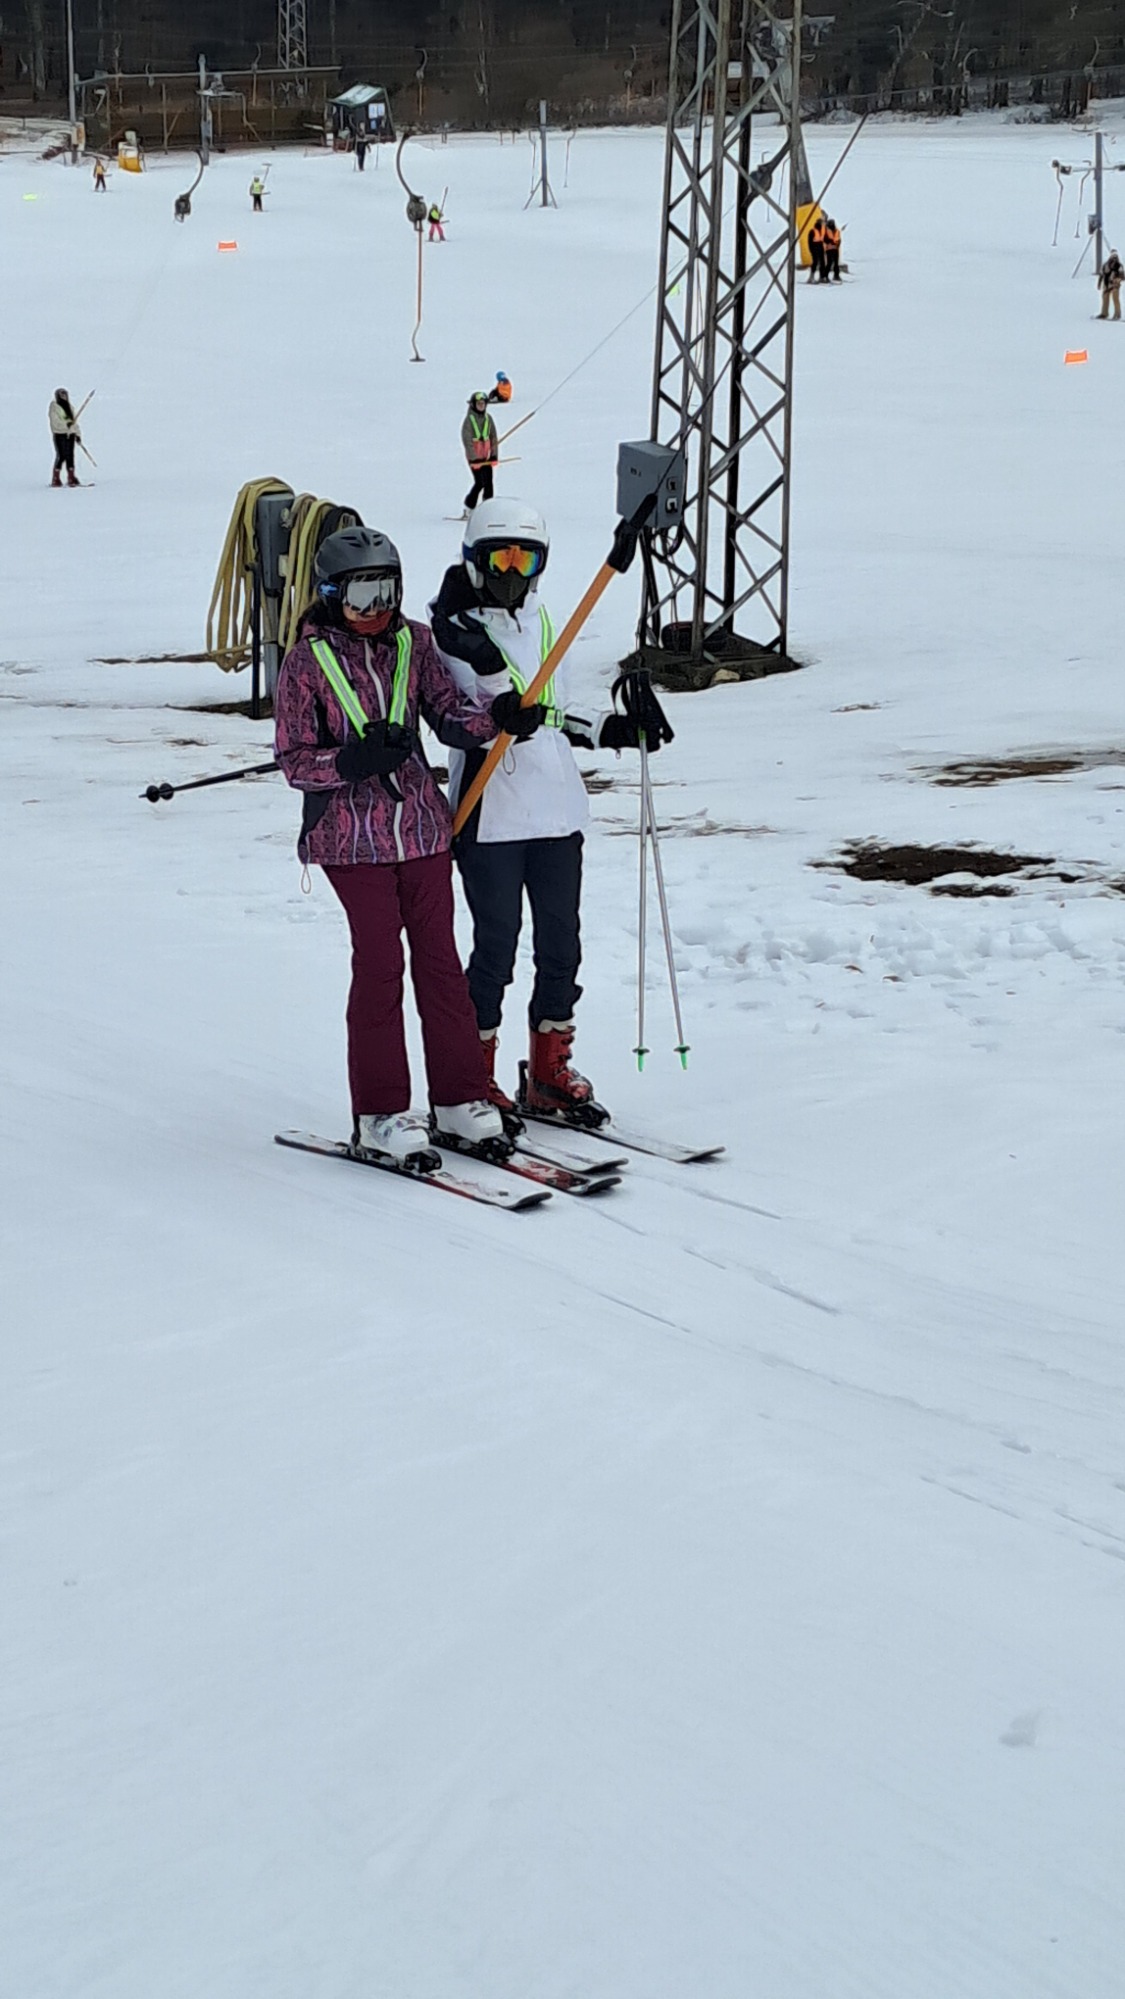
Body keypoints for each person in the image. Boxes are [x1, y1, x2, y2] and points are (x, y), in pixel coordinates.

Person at [274, 525, 537, 1169]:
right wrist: (350, 762)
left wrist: (497, 719)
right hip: (350, 840)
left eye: (387, 592)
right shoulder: (305, 663)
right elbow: (294, 759)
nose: (376, 609)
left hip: (421, 829)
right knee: (380, 962)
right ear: (330, 595)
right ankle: (381, 1113)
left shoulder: (413, 643)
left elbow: (448, 714)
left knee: (441, 962)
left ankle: (459, 1098)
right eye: (361, 595)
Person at [430, 497, 674, 1124]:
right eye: (500, 559)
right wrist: (493, 688)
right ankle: (471, 1078)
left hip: (557, 813)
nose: (513, 573)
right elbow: (460, 717)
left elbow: (554, 712)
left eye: (526, 559)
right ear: (474, 560)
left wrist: (610, 729)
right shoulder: (450, 635)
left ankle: (548, 1071)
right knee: (496, 948)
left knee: (562, 945)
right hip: (491, 811)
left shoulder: (543, 622)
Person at [461, 391, 499, 515]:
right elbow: (467, 441)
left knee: (489, 483)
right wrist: (473, 458)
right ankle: (469, 506)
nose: (481, 406)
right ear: (473, 405)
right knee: (479, 483)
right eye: (479, 404)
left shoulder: (488, 419)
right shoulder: (469, 421)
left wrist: (494, 454)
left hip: (486, 457)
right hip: (475, 459)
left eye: (483, 404)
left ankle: (488, 507)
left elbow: (493, 438)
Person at [48, 389, 82, 488]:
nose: (64, 397)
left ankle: (71, 477)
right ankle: (56, 478)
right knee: (62, 455)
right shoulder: (54, 407)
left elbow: (74, 422)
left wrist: (77, 434)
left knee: (70, 456)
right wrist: (66, 425)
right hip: (60, 434)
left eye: (65, 395)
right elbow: (55, 422)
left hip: (70, 435)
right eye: (62, 395)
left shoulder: (69, 407)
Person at [1098, 248, 1123, 320]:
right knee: (1105, 299)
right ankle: (1104, 313)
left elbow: (1122, 276)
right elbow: (1101, 274)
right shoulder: (1105, 265)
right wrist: (1099, 283)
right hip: (1106, 285)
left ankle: (1117, 314)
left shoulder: (1119, 266)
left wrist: (1117, 280)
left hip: (1115, 285)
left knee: (1115, 299)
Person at [807, 213, 827, 284]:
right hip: (815, 248)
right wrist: (811, 250)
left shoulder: (823, 230)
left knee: (822, 263)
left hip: (820, 247)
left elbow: (825, 239)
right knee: (815, 262)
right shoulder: (812, 231)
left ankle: (822, 277)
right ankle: (811, 277)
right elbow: (809, 242)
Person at [823, 218, 842, 282]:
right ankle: (825, 276)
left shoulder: (837, 231)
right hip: (829, 249)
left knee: (836, 263)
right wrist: (831, 242)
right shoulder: (826, 231)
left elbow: (839, 239)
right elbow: (825, 239)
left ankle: (836, 275)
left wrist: (837, 244)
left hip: (835, 249)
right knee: (829, 263)